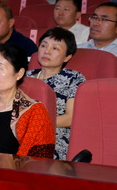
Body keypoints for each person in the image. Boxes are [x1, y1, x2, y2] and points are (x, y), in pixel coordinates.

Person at [26, 28, 86, 160]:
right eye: (43, 46)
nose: (46, 51)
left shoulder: (74, 78)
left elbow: (70, 118)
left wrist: (34, 124)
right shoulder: (25, 76)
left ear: (67, 57)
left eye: (55, 48)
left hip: (54, 136)